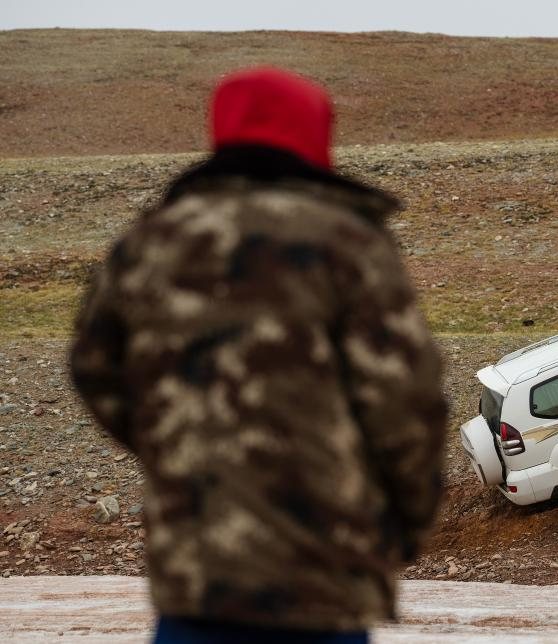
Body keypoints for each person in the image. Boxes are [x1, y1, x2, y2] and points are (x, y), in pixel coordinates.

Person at [70, 67, 448, 643]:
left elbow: (94, 368)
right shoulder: (348, 243)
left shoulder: (151, 242)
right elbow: (405, 405)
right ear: (316, 136)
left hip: (196, 576)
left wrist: (175, 443)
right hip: (322, 577)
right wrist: (407, 520)